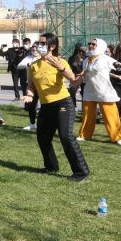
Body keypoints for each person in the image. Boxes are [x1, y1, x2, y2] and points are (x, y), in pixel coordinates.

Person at [23, 33, 89, 181]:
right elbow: (31, 86)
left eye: (42, 43)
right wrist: (29, 95)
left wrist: (61, 68)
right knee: (42, 138)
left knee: (65, 136)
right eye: (38, 43)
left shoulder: (61, 61)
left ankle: (81, 172)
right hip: (46, 107)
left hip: (63, 103)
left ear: (52, 46)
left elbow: (73, 80)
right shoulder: (33, 66)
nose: (39, 46)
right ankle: (51, 166)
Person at [73, 38, 121, 146]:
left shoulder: (105, 58)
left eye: (94, 44)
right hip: (89, 90)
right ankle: (85, 134)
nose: (91, 46)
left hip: (104, 91)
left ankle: (118, 137)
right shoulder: (86, 60)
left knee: (110, 115)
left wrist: (119, 64)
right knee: (87, 115)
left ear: (101, 46)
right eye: (90, 44)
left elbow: (115, 63)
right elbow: (85, 74)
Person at [17, 44, 40, 131]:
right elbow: (19, 66)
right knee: (31, 105)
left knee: (45, 106)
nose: (34, 50)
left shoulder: (43, 57)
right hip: (31, 85)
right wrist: (28, 64)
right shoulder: (29, 58)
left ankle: (45, 124)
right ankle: (32, 124)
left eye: (35, 49)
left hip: (41, 85)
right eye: (32, 49)